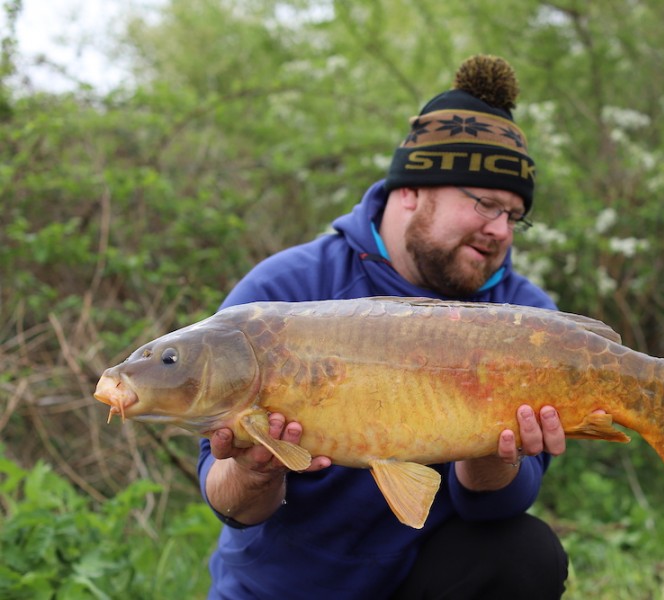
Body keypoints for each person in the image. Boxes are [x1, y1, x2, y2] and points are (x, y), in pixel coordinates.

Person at [199, 55, 571, 599]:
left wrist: (492, 445)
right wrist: (256, 472)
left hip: (422, 582)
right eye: (485, 204)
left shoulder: (528, 320)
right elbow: (226, 499)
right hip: (282, 589)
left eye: (514, 217)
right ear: (411, 192)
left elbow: (496, 505)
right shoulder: (285, 291)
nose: (500, 231)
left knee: (525, 553)